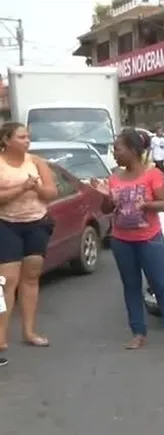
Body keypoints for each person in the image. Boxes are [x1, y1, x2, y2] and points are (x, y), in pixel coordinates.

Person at [92, 129, 164, 349]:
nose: (114, 153)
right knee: (131, 286)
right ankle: (138, 332)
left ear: (132, 150)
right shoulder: (114, 177)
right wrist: (106, 197)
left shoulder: (153, 175)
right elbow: (107, 208)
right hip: (121, 240)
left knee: (160, 285)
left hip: (149, 238)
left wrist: (145, 204)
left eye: (117, 149)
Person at [0, 122, 58, 364]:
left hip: (36, 223)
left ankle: (29, 331)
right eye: (22, 137)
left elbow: (51, 193)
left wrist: (37, 188)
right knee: (7, 280)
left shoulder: (36, 162)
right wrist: (22, 188)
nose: (27, 141)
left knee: (31, 276)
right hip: (6, 224)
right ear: (6, 140)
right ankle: (1, 336)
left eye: (28, 137)